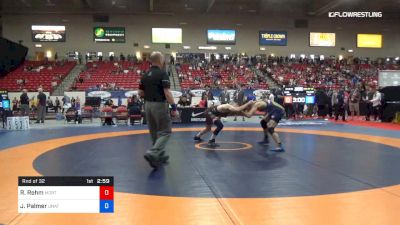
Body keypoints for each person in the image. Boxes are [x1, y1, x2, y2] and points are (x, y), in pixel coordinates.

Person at [139, 51, 178, 169]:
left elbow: (140, 93)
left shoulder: (144, 75)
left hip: (147, 105)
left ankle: (159, 156)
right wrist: (174, 108)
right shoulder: (162, 74)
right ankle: (154, 152)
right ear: (161, 61)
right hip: (159, 105)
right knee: (166, 131)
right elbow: (167, 92)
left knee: (154, 132)